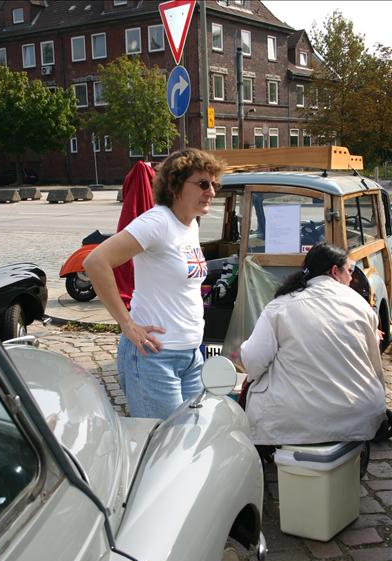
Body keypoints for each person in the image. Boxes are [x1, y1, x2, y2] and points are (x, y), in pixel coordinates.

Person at [84, 148, 224, 420]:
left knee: (189, 435)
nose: (211, 192)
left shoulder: (191, 225)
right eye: (203, 184)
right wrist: (127, 324)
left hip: (191, 355)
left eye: (214, 184)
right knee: (160, 440)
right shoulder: (157, 222)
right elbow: (95, 262)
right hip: (156, 358)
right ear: (174, 185)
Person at [240, 242, 386, 445]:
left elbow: (253, 361)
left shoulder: (279, 307)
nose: (351, 277)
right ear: (335, 271)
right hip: (359, 417)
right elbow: (373, 359)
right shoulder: (361, 305)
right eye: (349, 271)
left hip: (292, 421)